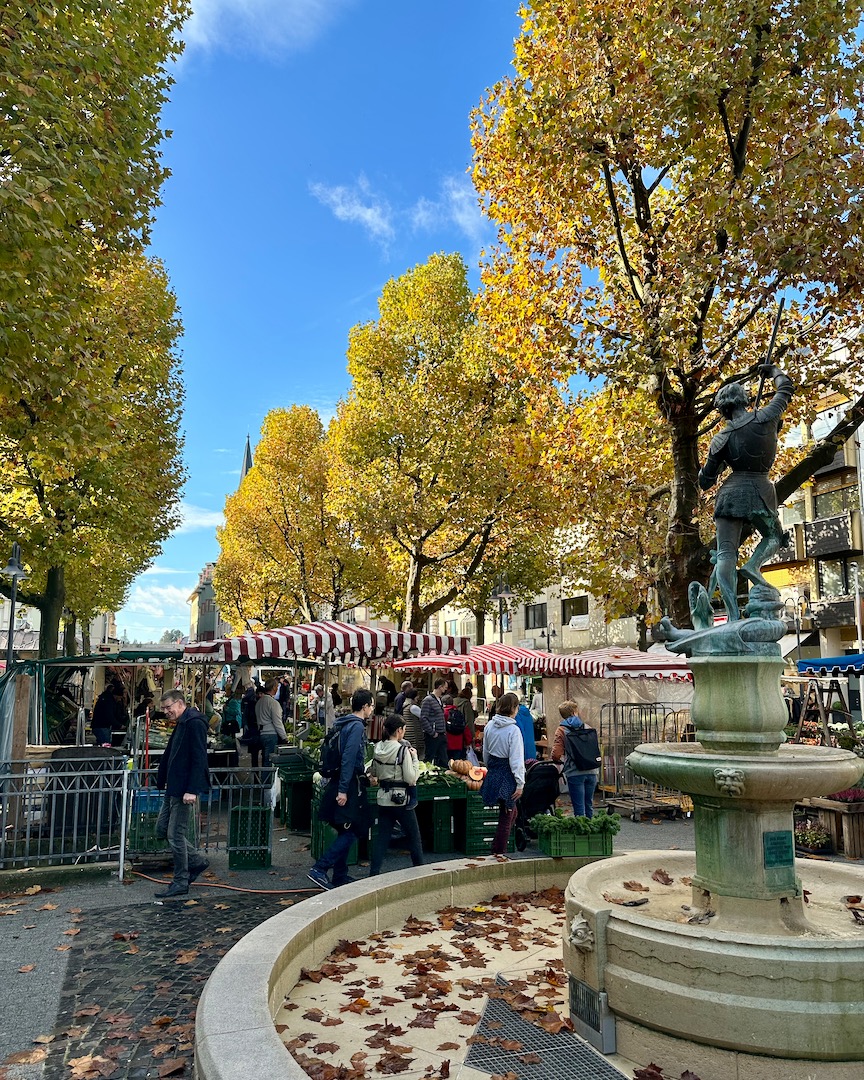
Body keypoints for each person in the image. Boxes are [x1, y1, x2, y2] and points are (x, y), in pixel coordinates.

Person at [698, 363, 794, 621]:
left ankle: (731, 616)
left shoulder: (722, 437)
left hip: (731, 493)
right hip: (762, 489)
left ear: (723, 409)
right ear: (743, 399)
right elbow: (785, 388)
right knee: (774, 537)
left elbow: (706, 480)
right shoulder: (767, 416)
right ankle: (753, 565)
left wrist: (703, 473)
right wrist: (772, 371)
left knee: (726, 553)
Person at [308, 689, 375, 890]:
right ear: (364, 707)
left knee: (345, 828)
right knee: (354, 829)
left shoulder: (342, 723)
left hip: (337, 780)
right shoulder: (355, 727)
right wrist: (343, 790)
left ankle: (340, 875)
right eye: (371, 705)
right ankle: (319, 869)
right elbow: (348, 758)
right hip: (346, 784)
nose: (372, 709)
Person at [154, 690, 210, 898]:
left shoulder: (194, 723)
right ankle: (196, 861)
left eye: (168, 707)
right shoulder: (183, 722)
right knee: (163, 828)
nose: (166, 712)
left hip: (184, 787)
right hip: (174, 786)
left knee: (175, 834)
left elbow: (199, 758)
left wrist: (192, 789)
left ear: (179, 703)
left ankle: (181, 880)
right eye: (164, 709)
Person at [368, 714, 424, 876]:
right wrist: (414, 759)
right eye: (404, 729)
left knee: (382, 837)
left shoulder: (378, 748)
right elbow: (411, 778)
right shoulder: (402, 750)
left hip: (383, 798)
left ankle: (374, 872)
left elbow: (374, 773)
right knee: (414, 836)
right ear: (399, 730)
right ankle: (420, 871)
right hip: (401, 800)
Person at [480, 692, 525, 855]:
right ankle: (498, 852)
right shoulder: (513, 730)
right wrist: (520, 783)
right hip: (507, 775)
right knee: (507, 816)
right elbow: (517, 760)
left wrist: (489, 768)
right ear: (514, 708)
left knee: (511, 812)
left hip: (493, 772)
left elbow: (485, 753)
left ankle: (499, 850)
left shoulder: (489, 726)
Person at [551, 701, 600, 818]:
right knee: (589, 805)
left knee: (579, 809)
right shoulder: (587, 727)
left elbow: (556, 754)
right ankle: (591, 832)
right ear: (574, 712)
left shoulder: (562, 730)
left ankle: (581, 833)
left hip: (574, 772)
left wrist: (562, 760)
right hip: (592, 770)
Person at [255, 678, 288, 771]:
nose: (277, 688)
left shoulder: (259, 702)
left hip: (261, 734)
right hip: (270, 735)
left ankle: (264, 782)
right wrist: (284, 737)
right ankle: (267, 783)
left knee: (265, 760)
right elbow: (277, 722)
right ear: (273, 688)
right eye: (277, 686)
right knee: (269, 762)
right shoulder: (273, 703)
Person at [420, 678, 448, 767]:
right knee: (429, 758)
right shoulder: (428, 700)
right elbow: (423, 718)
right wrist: (432, 732)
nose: (445, 689)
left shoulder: (439, 700)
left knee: (443, 759)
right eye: (445, 687)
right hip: (433, 735)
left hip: (441, 734)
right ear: (440, 687)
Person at [443, 694, 473, 761]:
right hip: (458, 744)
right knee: (456, 767)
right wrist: (468, 742)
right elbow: (465, 728)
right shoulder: (458, 713)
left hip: (446, 744)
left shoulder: (443, 713)